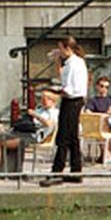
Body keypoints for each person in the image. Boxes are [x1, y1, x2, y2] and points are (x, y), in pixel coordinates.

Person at [41, 36, 88, 187]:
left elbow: (69, 89)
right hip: (74, 100)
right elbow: (62, 76)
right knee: (73, 137)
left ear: (67, 48)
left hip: (72, 101)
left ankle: (57, 171)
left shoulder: (74, 64)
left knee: (63, 137)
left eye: (61, 48)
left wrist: (53, 94)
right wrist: (57, 57)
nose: (59, 51)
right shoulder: (73, 62)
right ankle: (76, 170)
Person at [0, 90, 59, 175]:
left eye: (45, 99)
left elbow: (49, 124)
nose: (43, 102)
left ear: (52, 101)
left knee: (0, 143)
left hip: (34, 137)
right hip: (26, 131)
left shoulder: (54, 113)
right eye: (42, 99)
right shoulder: (41, 109)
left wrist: (36, 115)